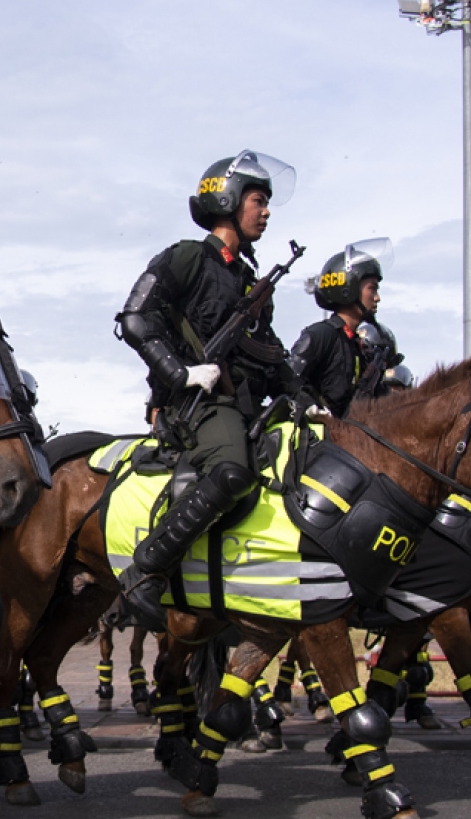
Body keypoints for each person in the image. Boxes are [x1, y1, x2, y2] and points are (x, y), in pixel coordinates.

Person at [113, 150, 296, 631]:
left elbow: (268, 350)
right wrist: (180, 374)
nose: (266, 211)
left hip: (244, 401)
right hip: (196, 403)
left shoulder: (248, 278)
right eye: (259, 200)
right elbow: (135, 318)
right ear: (230, 200)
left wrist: (302, 397)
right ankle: (147, 569)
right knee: (233, 471)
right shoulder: (188, 257)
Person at [287, 239, 390, 419]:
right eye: (372, 289)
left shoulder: (357, 347)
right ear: (349, 288)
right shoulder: (321, 335)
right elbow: (288, 380)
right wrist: (312, 408)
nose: (377, 298)